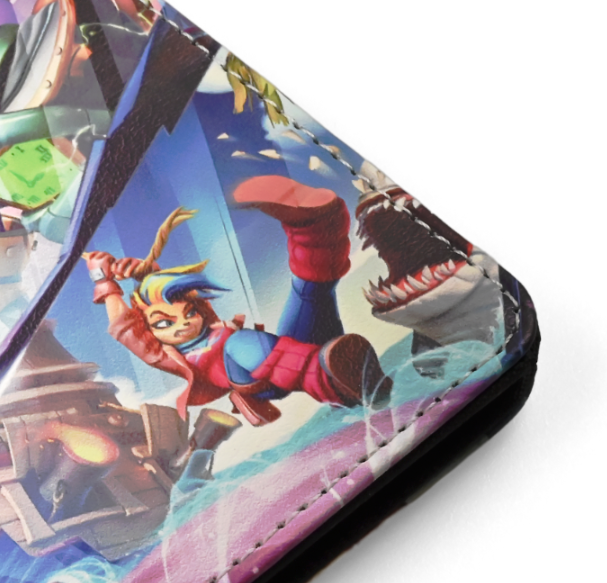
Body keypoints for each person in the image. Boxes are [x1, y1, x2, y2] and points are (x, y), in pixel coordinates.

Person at [84, 176, 392, 427]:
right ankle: (328, 379)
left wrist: (145, 272)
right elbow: (125, 327)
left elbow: (172, 294)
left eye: (189, 313)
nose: (183, 324)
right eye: (164, 323)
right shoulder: (172, 355)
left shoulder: (206, 322)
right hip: (260, 379)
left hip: (293, 354)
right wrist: (104, 283)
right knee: (240, 342)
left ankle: (315, 228)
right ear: (150, 331)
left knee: (310, 292)